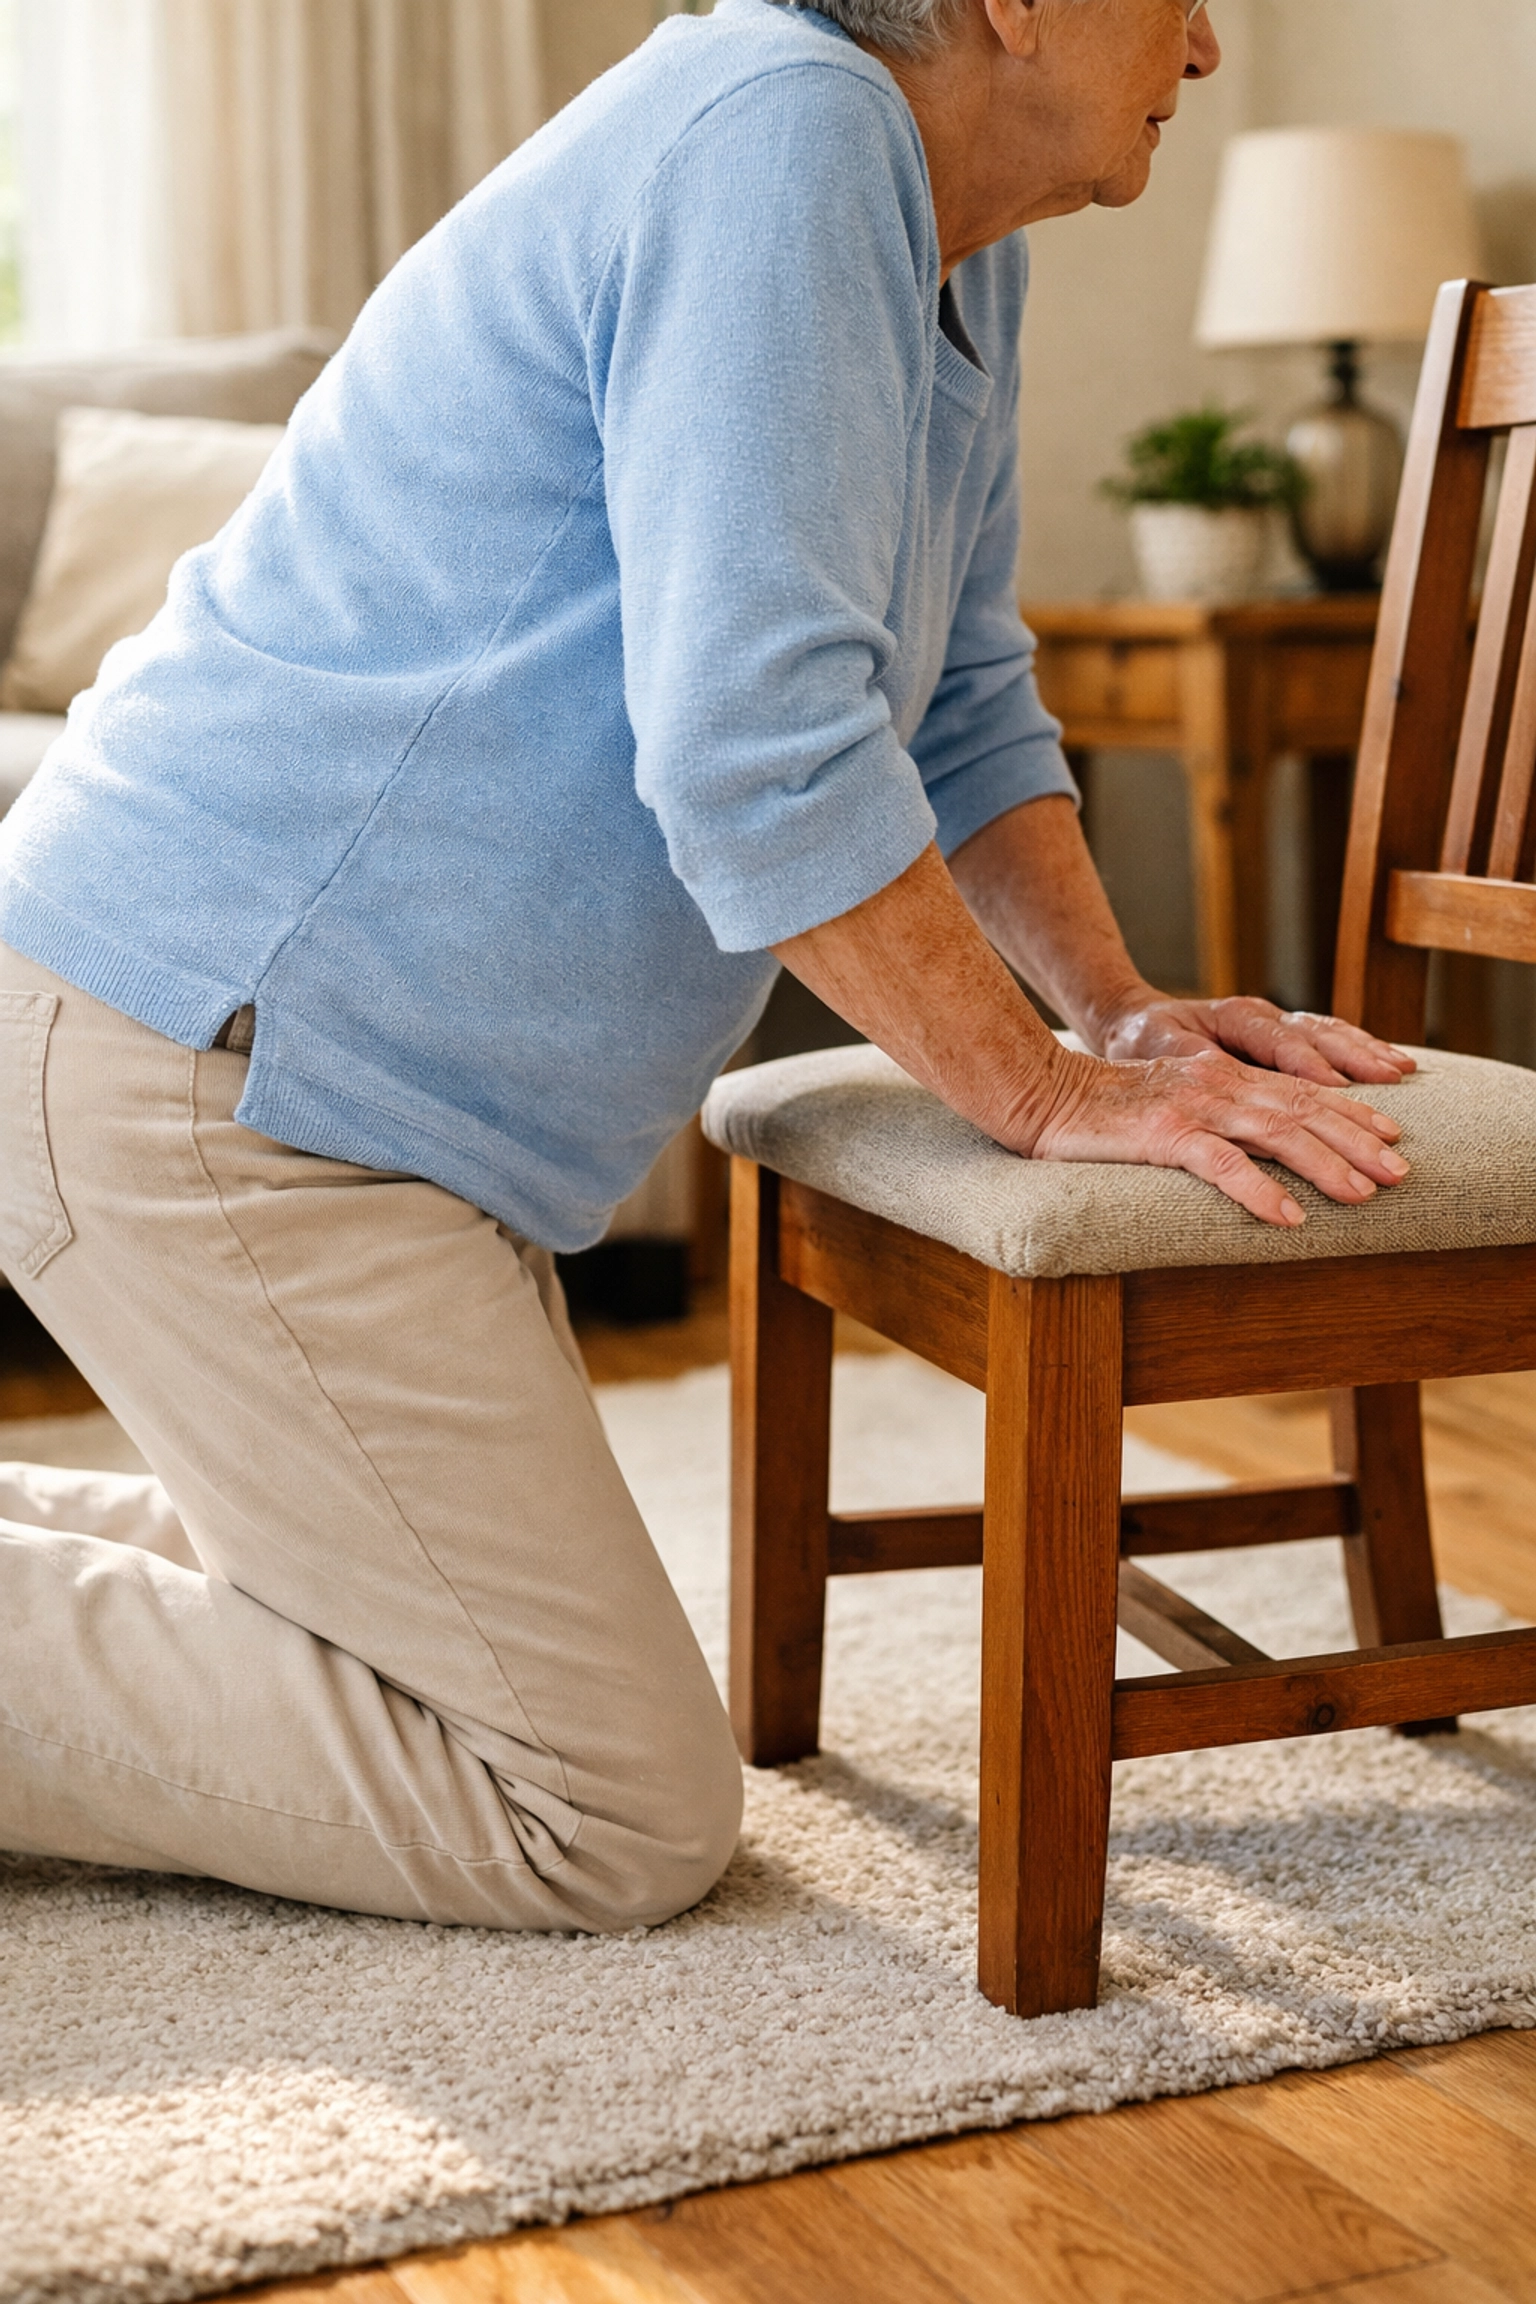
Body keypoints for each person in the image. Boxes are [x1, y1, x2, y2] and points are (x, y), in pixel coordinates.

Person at [0, 0, 1412, 1932]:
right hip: (222, 1070)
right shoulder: (783, 130)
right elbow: (759, 747)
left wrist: (1120, 1014)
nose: (1213, 43)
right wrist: (1040, 1092)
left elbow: (958, 699)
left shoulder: (952, 237)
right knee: (605, 1808)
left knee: (410, 1624)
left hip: (339, 1100)